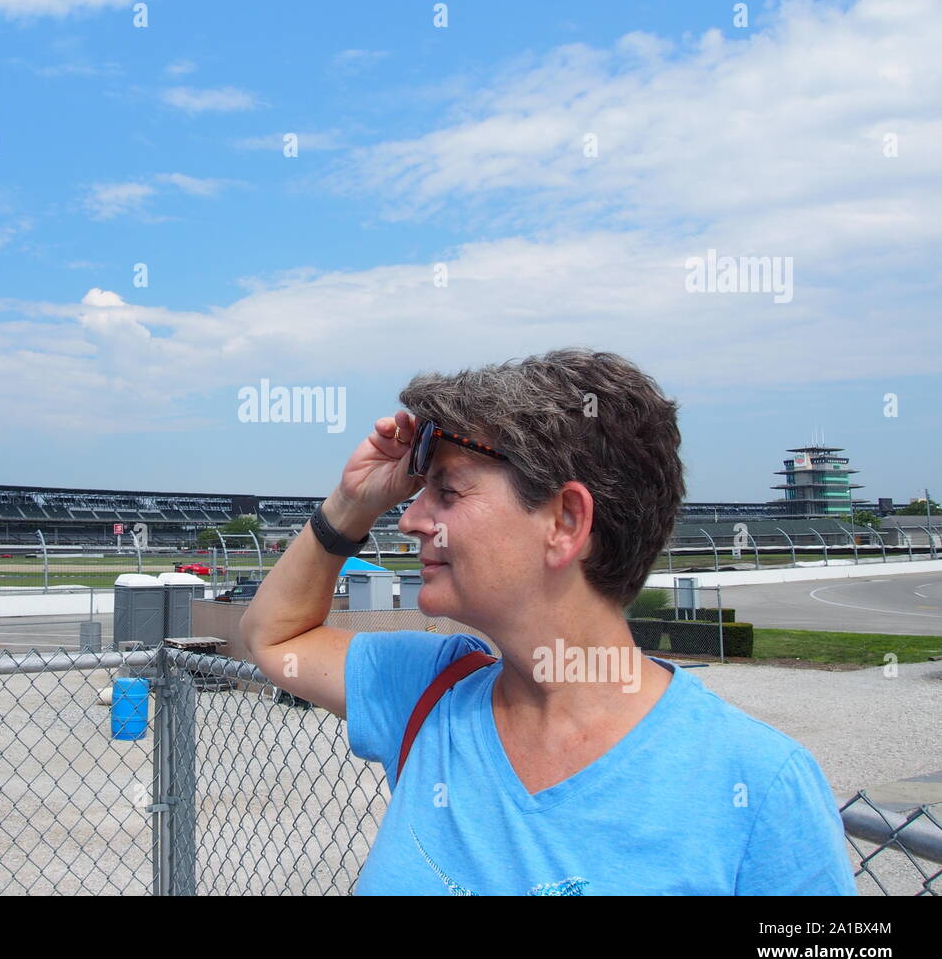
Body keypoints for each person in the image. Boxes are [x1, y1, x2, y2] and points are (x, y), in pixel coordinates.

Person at [238, 348, 856, 896]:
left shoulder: (759, 787)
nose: (409, 519)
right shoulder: (432, 690)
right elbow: (275, 637)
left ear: (564, 522)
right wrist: (351, 503)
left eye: (448, 492)